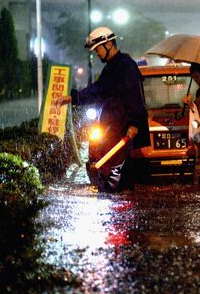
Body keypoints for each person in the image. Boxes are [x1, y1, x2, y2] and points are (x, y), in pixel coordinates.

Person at [55, 26, 150, 192]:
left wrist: (134, 123)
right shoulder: (112, 67)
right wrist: (73, 98)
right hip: (111, 130)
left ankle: (118, 212)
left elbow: (135, 97)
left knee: (114, 181)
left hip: (120, 132)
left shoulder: (125, 66)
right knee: (111, 181)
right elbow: (97, 89)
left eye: (97, 49)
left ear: (108, 44)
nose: (97, 53)